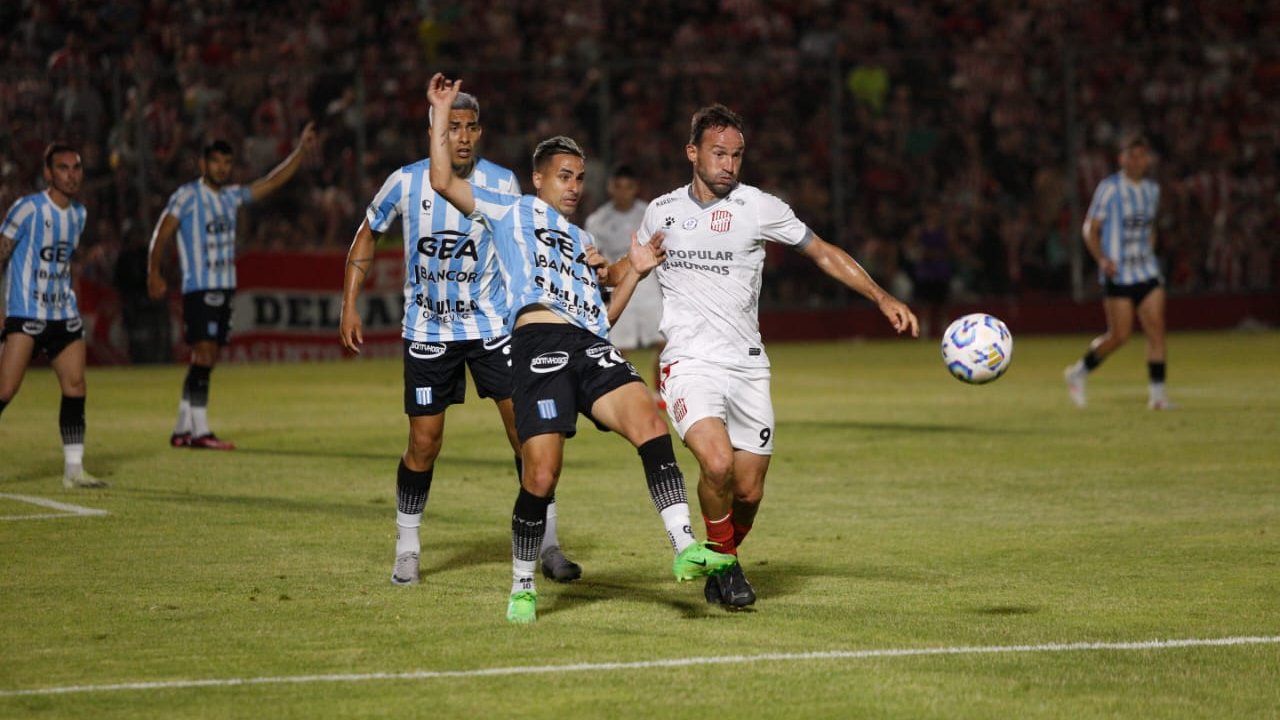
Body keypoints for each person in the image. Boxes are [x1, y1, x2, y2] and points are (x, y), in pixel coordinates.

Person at [425, 73, 737, 624]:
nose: (574, 186)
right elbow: (444, 179)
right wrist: (440, 114)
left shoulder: (584, 243)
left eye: (580, 178)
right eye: (564, 176)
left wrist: (634, 271)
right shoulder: (508, 210)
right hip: (537, 343)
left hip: (589, 344)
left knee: (649, 422)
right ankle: (522, 583)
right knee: (541, 474)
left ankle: (684, 545)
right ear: (538, 179)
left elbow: (604, 317)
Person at [635, 104, 918, 608]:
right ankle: (729, 567)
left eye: (737, 155)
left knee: (748, 490)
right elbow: (628, 268)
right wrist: (597, 272)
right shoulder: (661, 211)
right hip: (688, 363)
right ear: (692, 152)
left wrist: (882, 296)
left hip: (747, 364)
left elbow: (824, 252)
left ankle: (719, 560)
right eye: (718, 153)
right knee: (716, 464)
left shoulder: (759, 207)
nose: (729, 164)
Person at [339, 89, 582, 587]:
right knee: (424, 444)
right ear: (435, 130)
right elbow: (368, 233)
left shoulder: (502, 182)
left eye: (471, 126)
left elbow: (527, 241)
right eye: (453, 126)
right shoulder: (404, 182)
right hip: (429, 331)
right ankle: (407, 547)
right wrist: (349, 302)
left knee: (529, 436)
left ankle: (549, 545)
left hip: (494, 328)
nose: (463, 136)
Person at [147, 122, 317, 449]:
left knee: (205, 356)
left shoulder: (229, 197)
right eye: (216, 162)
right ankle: (200, 432)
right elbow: (162, 233)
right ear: (203, 164)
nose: (222, 168)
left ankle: (183, 429)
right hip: (200, 287)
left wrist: (300, 151)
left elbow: (271, 182)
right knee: (205, 353)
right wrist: (153, 271)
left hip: (224, 287)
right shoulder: (187, 196)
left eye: (226, 163)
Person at [0, 143, 107, 489]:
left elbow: (63, 262)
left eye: (76, 168)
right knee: (5, 389)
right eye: (63, 168)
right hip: (26, 312)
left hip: (63, 313)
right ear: (48, 173)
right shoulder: (27, 209)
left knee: (75, 387)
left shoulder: (79, 214)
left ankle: (74, 470)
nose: (71, 175)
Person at [1064, 134, 1169, 410]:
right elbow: (1090, 228)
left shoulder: (1151, 190)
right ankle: (1079, 371)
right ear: (1122, 159)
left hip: (1146, 270)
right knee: (1120, 335)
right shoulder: (1109, 188)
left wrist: (1151, 247)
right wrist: (1102, 259)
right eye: (1131, 155)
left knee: (1156, 330)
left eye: (1142, 155)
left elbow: (1150, 226)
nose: (1137, 161)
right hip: (1118, 273)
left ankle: (1157, 397)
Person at [585, 164, 664, 394]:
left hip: (649, 285)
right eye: (618, 187)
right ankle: (620, 390)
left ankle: (660, 391)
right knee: (620, 346)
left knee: (664, 339)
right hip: (619, 284)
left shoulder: (648, 213)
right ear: (611, 188)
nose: (623, 192)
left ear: (635, 188)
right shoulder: (597, 220)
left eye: (628, 187)